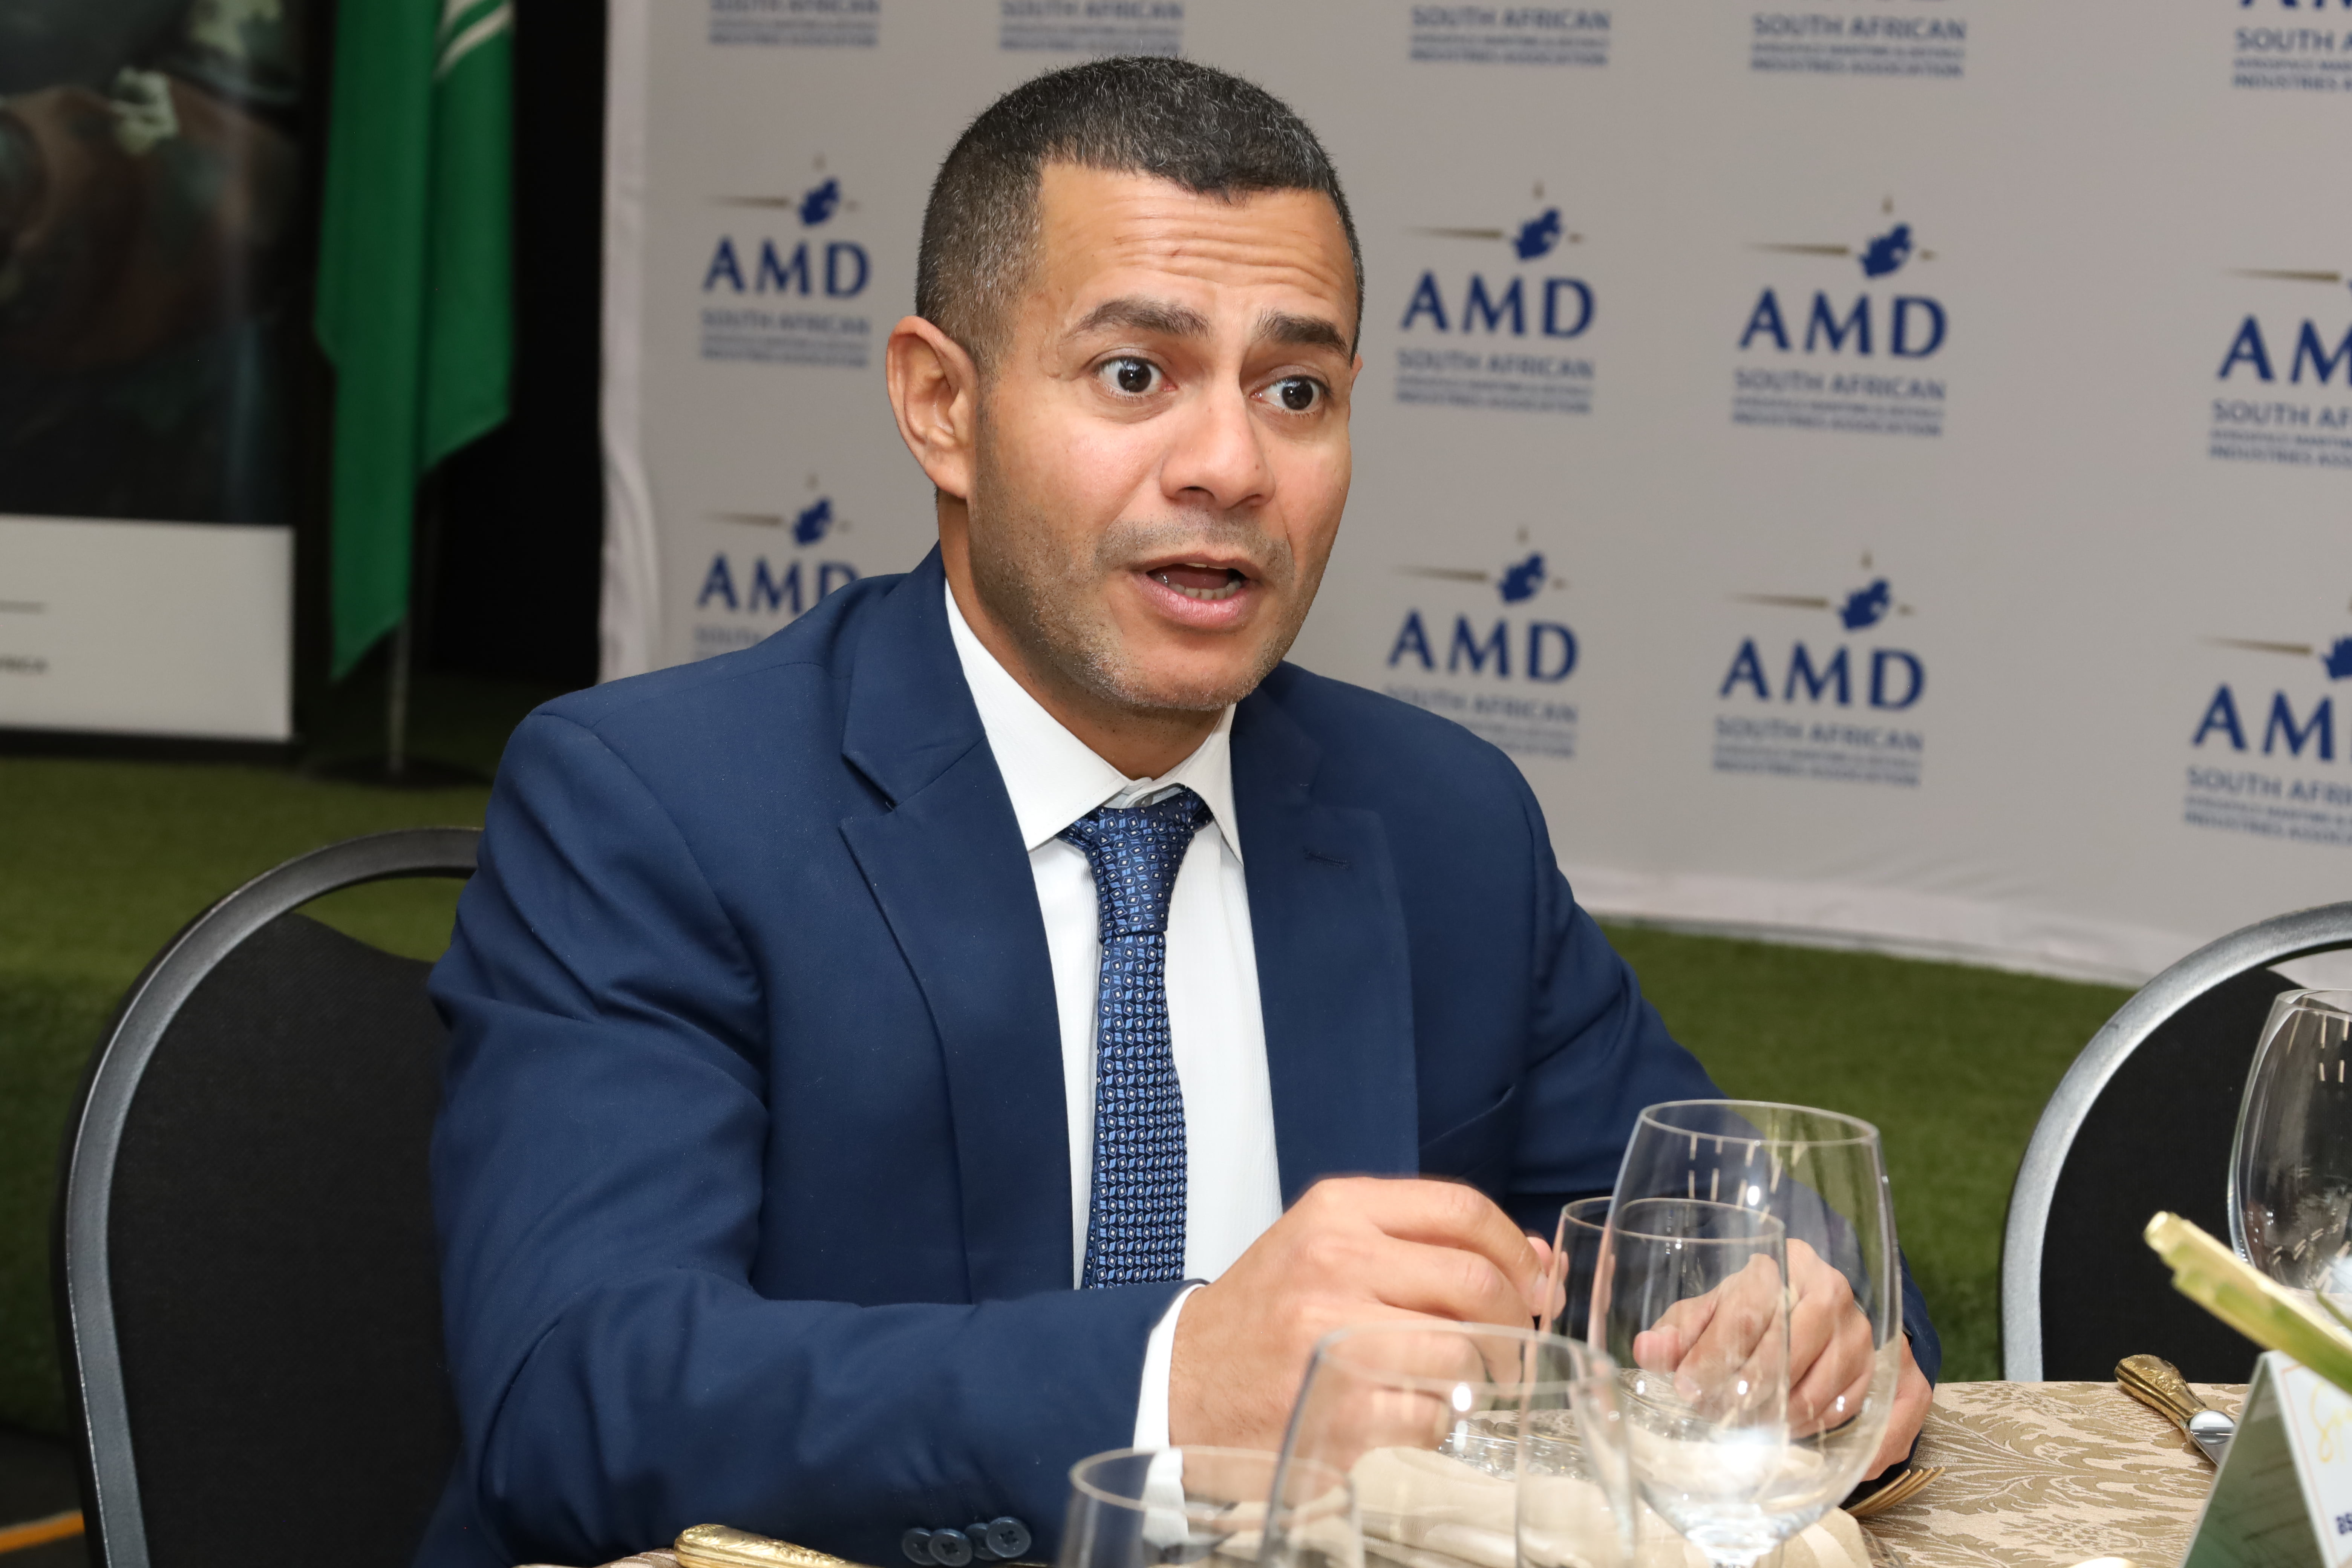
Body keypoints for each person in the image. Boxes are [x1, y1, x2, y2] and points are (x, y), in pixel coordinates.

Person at [421, 57, 1938, 1568]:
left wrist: (1802, 1329)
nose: (1230, 466)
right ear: (944, 406)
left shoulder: (1443, 823)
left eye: (1297, 392)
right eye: (1136, 375)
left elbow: (1768, 1251)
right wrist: (1172, 1384)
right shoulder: (658, 804)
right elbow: (576, 1398)